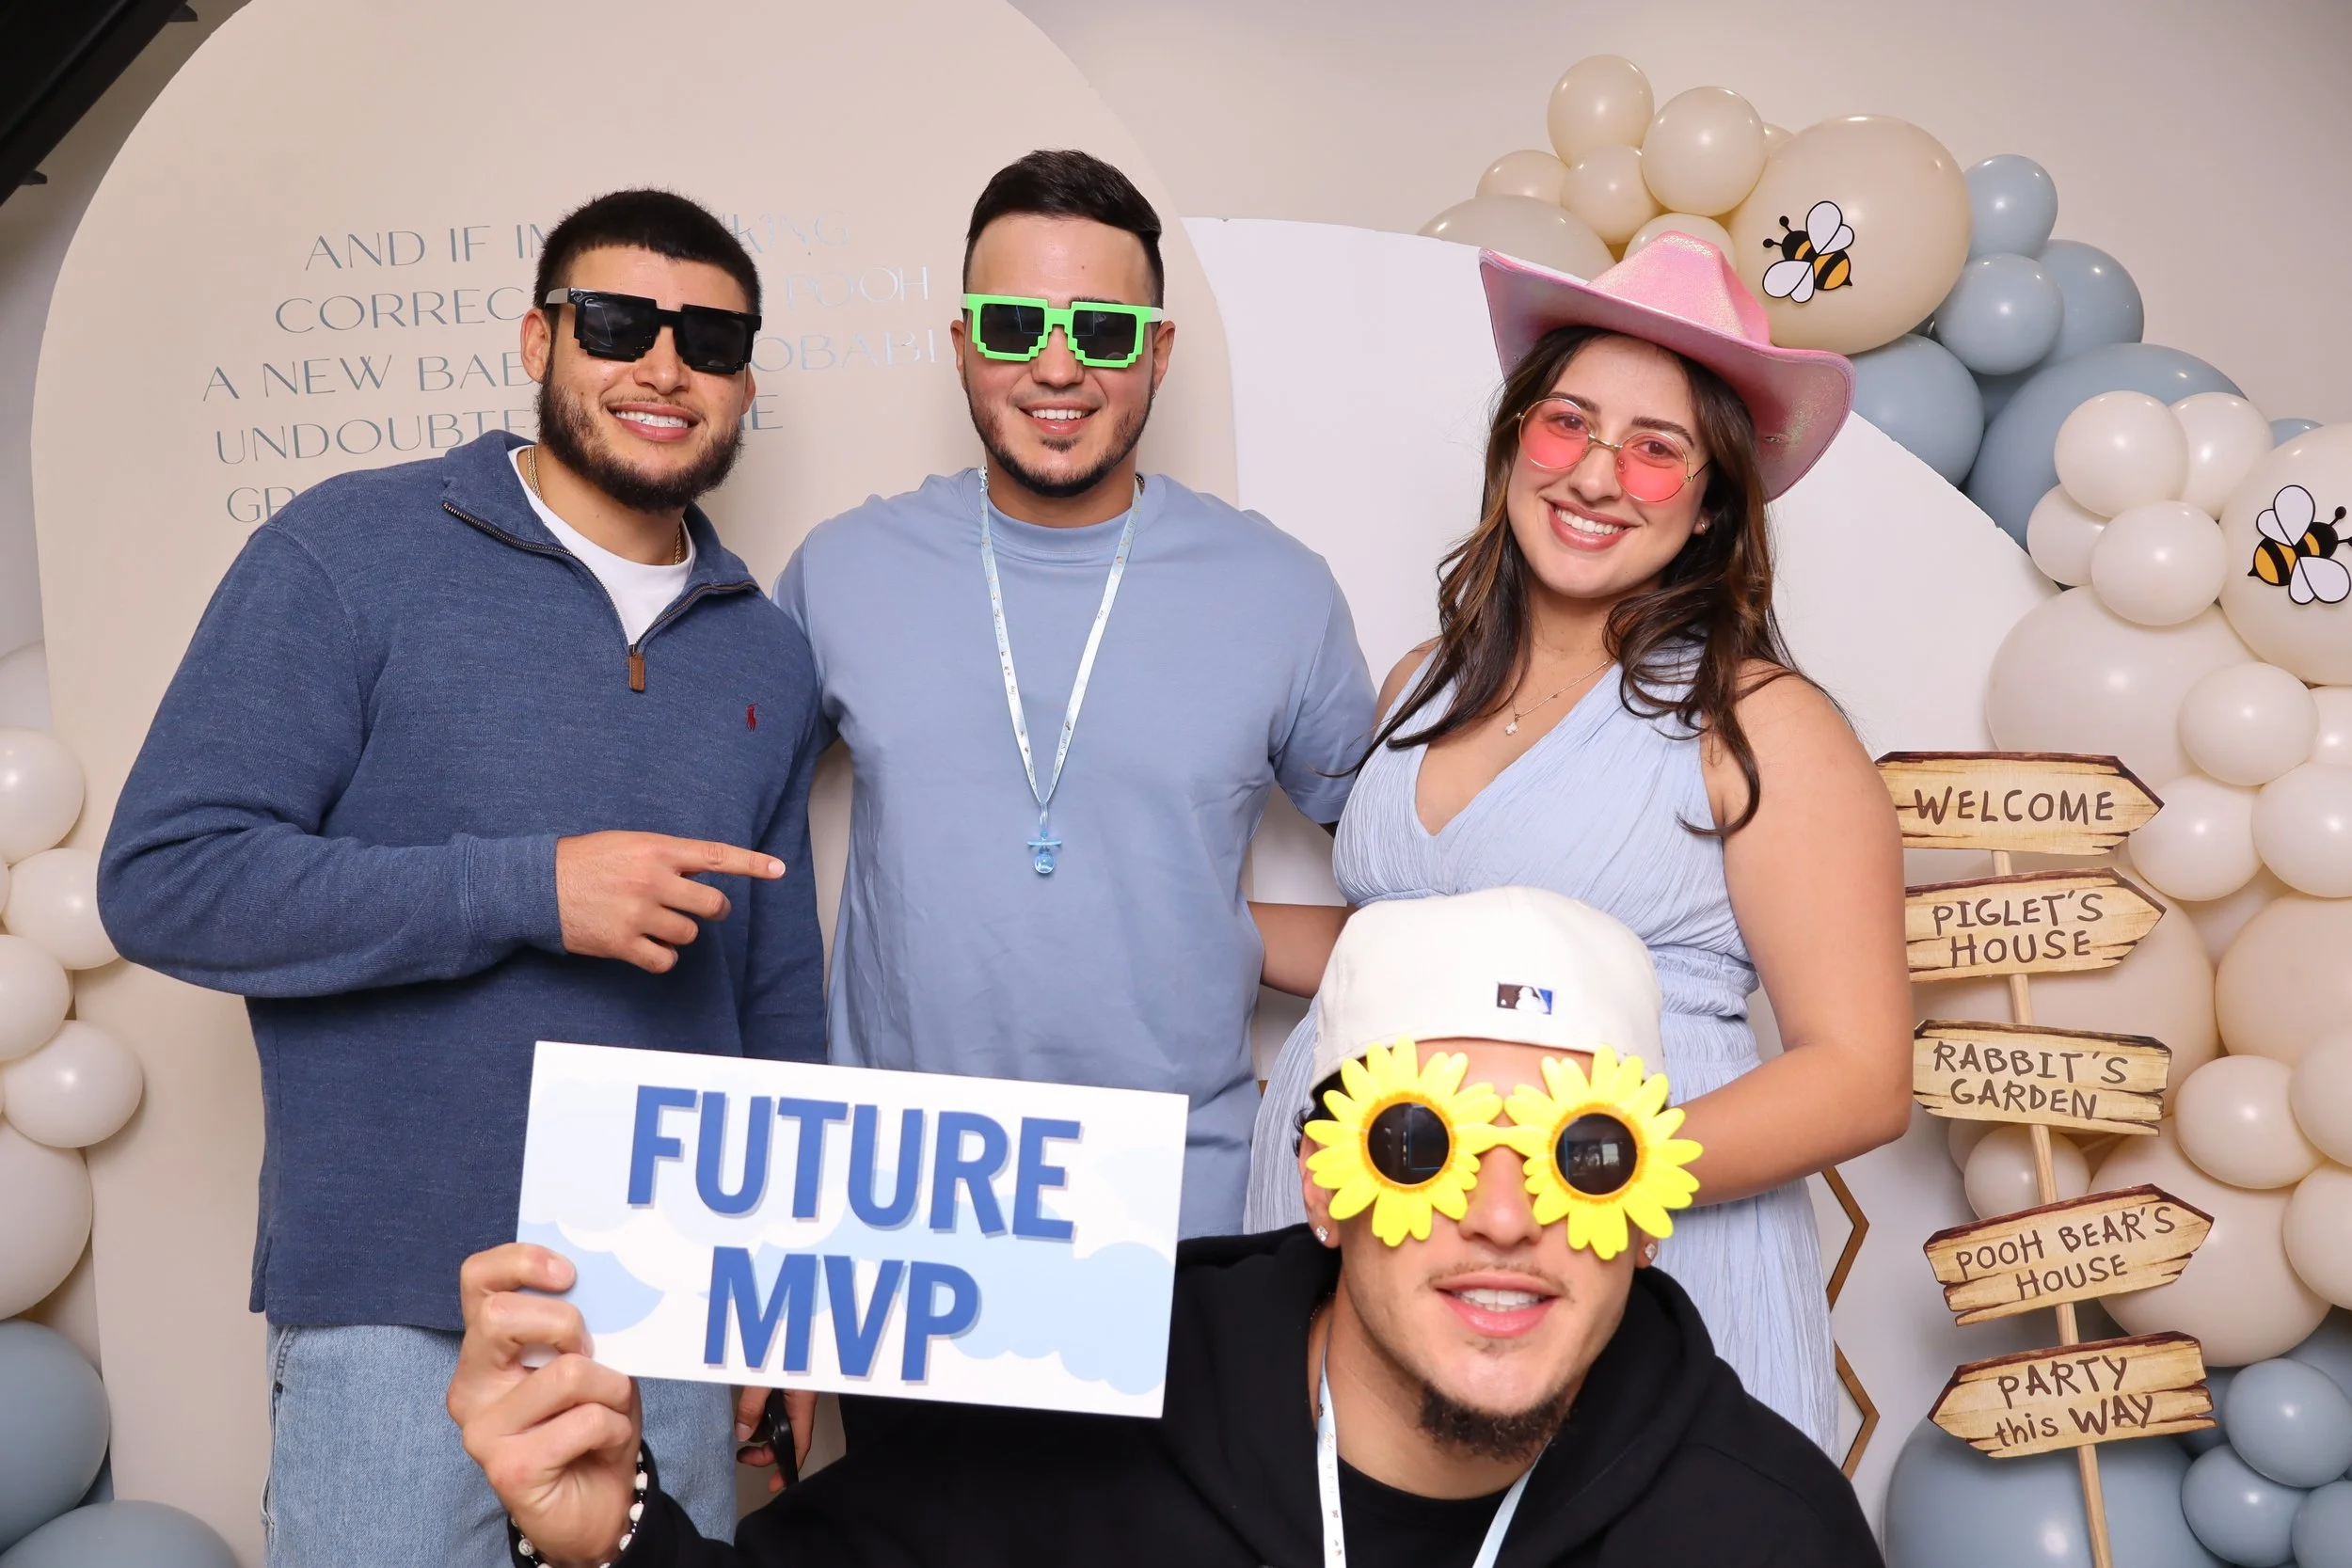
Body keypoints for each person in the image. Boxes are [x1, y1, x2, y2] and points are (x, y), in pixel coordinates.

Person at [98, 189, 824, 1565]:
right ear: (538, 337)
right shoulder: (349, 553)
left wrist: (781, 1302)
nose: (664, 365)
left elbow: (777, 994)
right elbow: (167, 875)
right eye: (619, 324)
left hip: (668, 1303)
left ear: (741, 382)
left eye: (712, 340)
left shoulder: (767, 652)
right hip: (394, 1311)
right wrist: (530, 889)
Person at [448, 887, 1883, 1568]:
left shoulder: (1763, 1531)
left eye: (1579, 1156)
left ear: (1645, 1211)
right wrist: (601, 1534)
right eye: (1421, 1143)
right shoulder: (1086, 1404)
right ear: (1326, 1182)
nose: (1504, 1215)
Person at [1244, 234, 1913, 1451]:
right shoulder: (1418, 683)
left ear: (1712, 504)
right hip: (1371, 1215)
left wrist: (1567, 1182)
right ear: (1512, 450)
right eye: (1567, 424)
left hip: (1622, 1239)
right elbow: (1406, 942)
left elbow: (1861, 1072)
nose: (1599, 474)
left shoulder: (1759, 721)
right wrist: (1193, 928)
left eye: (1658, 449)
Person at [773, 148, 1375, 1242]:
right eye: (1012, 327)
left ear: (1158, 352)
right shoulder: (844, 571)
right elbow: (735, 849)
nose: (1056, 367)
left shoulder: (1278, 591)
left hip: (1182, 1215)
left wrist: (1213, 929)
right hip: (906, 1207)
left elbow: (1411, 885)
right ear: (962, 345)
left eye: (1102, 331)